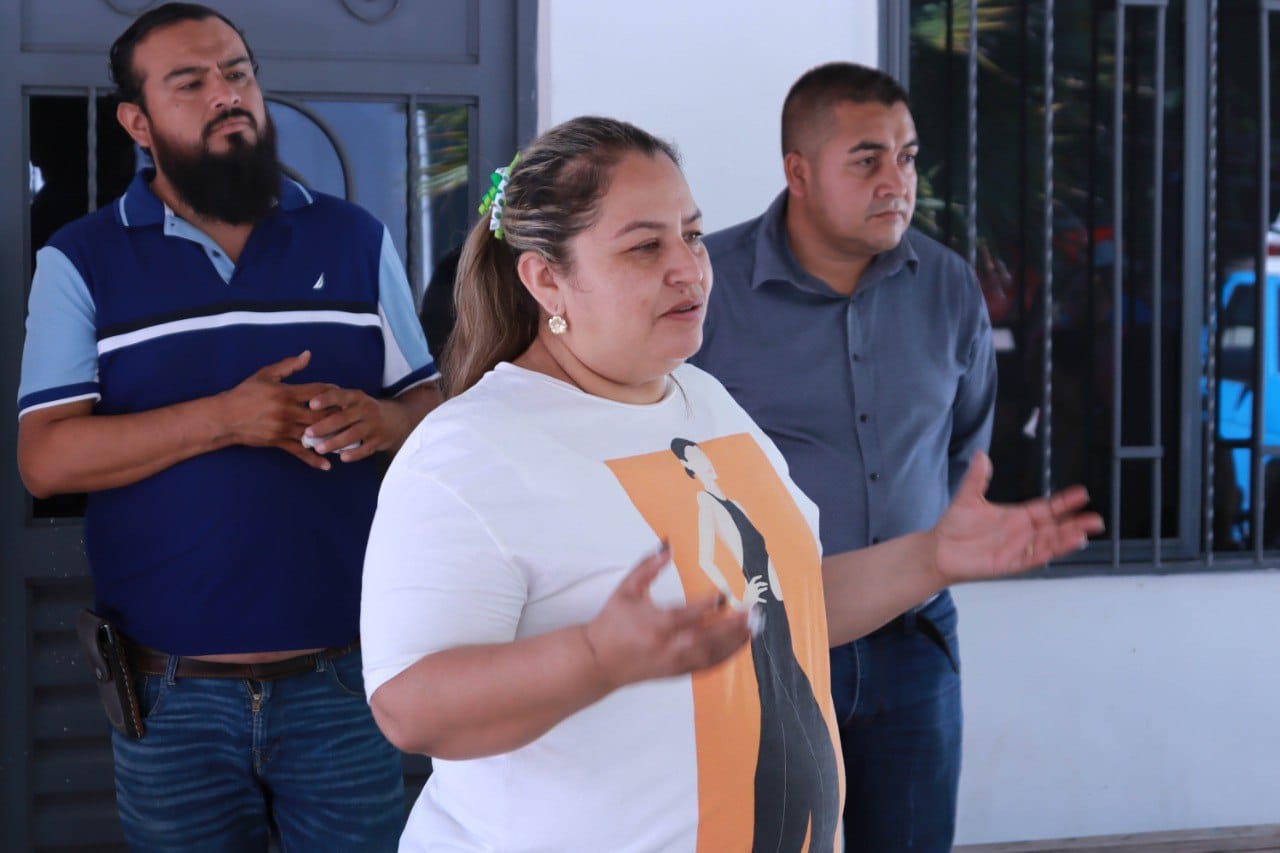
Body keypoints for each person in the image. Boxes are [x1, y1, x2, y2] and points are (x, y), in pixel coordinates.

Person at [359, 115, 1100, 852]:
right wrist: (595, 658)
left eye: (692, 234)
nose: (689, 267)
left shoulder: (702, 399)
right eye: (645, 246)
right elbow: (408, 709)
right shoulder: (469, 449)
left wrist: (932, 558)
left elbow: (782, 606)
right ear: (546, 278)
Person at [16, 4, 441, 849]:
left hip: (346, 679)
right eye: (190, 82)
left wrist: (388, 418)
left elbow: (433, 414)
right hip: (169, 694)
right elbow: (47, 458)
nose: (226, 94)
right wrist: (224, 419)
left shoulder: (353, 239)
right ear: (137, 123)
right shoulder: (82, 258)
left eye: (237, 73)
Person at [689, 61, 997, 852]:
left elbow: (964, 444)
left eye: (908, 156)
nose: (898, 181)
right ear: (798, 173)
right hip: (764, 645)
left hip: (915, 639)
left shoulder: (949, 287)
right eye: (867, 160)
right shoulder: (706, 290)